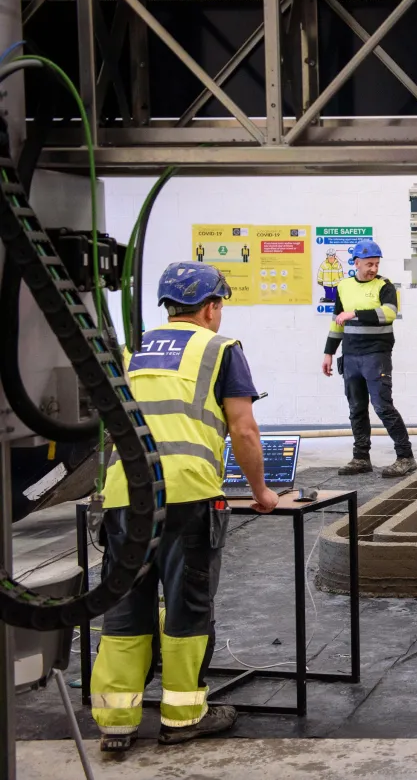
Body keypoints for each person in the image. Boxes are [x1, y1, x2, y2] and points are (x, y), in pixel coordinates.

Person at [91, 262, 278, 755]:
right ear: (212, 306)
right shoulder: (221, 349)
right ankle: (183, 715)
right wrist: (261, 492)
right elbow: (243, 429)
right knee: (186, 606)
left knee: (124, 605)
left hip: (125, 496)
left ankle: (116, 721)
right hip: (188, 495)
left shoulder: (133, 353)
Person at [321, 240, 416, 477]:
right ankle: (361, 458)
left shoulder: (385, 286)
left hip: (376, 355)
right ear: (356, 263)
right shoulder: (344, 286)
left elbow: (390, 314)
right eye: (369, 264)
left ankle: (405, 456)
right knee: (356, 409)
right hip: (351, 356)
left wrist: (355, 313)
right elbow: (337, 322)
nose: (373, 268)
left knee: (382, 406)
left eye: (376, 263)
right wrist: (329, 353)